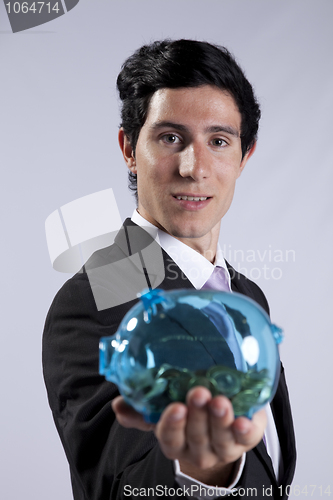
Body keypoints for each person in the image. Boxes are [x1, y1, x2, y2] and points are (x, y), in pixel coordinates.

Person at [43, 39, 296, 499]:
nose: (193, 167)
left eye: (218, 141)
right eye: (170, 138)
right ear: (128, 148)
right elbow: (119, 476)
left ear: (244, 157)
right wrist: (204, 468)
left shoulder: (247, 296)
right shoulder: (99, 293)